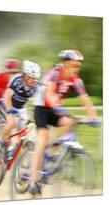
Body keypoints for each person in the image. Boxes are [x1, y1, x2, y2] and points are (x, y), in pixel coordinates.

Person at [30, 49, 99, 196]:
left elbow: (85, 98)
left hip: (55, 109)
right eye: (74, 65)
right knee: (43, 139)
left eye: (78, 66)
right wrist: (58, 107)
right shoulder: (54, 73)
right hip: (41, 108)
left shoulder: (76, 79)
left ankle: (53, 156)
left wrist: (93, 117)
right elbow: (49, 93)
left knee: (69, 122)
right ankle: (33, 181)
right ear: (65, 64)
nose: (77, 68)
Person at [0, 60, 41, 160]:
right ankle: (0, 141)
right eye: (30, 77)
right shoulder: (17, 79)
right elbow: (7, 96)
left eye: (35, 78)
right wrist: (10, 110)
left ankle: (14, 151)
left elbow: (39, 104)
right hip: (8, 103)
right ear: (25, 75)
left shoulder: (36, 86)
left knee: (23, 131)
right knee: (11, 122)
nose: (33, 80)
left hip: (21, 107)